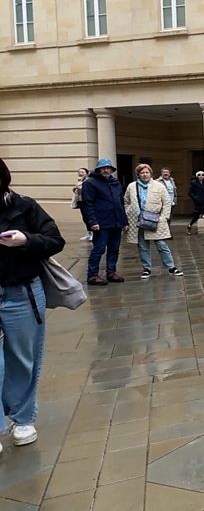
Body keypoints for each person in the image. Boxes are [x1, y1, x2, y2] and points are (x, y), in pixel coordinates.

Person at [0, 158, 66, 452]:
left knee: (22, 358)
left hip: (21, 293)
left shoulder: (24, 206)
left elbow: (54, 240)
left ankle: (23, 418)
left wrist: (26, 240)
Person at [124, 164, 183, 279]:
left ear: (151, 173)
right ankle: (146, 268)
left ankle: (171, 266)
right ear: (138, 174)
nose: (144, 175)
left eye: (147, 172)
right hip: (139, 221)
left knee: (161, 244)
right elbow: (126, 201)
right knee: (142, 246)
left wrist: (164, 217)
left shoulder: (159, 186)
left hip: (155, 220)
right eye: (142, 173)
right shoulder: (132, 186)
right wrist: (129, 212)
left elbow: (166, 202)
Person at [80, 158, 128, 286]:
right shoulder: (90, 183)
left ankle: (111, 272)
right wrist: (92, 222)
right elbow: (87, 204)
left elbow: (121, 203)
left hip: (116, 222)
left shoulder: (115, 183)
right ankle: (92, 275)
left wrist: (124, 221)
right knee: (99, 249)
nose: (106, 170)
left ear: (112, 170)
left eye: (108, 168)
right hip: (101, 223)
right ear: (98, 170)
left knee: (114, 249)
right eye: (103, 168)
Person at [186, 171, 204, 236]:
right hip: (199, 202)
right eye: (199, 175)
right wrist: (196, 198)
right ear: (197, 176)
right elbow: (190, 193)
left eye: (203, 175)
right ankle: (190, 225)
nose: (201, 176)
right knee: (196, 216)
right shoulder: (194, 183)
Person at [72, 167, 91, 241]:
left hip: (87, 202)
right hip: (80, 201)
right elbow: (77, 191)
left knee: (89, 218)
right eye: (79, 172)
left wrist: (79, 186)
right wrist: (74, 188)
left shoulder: (88, 181)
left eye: (82, 172)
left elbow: (85, 190)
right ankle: (89, 233)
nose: (80, 173)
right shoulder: (80, 181)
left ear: (87, 173)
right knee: (85, 218)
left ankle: (92, 233)